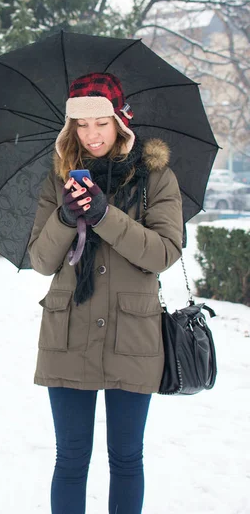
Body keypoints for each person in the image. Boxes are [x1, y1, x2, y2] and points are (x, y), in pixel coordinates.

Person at [28, 72, 183, 514]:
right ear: (69, 128)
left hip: (132, 337)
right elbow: (40, 261)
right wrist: (64, 216)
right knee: (71, 459)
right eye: (81, 124)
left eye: (101, 122)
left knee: (127, 458)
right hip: (68, 334)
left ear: (120, 122)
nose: (91, 134)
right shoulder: (58, 182)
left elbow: (163, 253)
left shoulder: (156, 179)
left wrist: (103, 215)